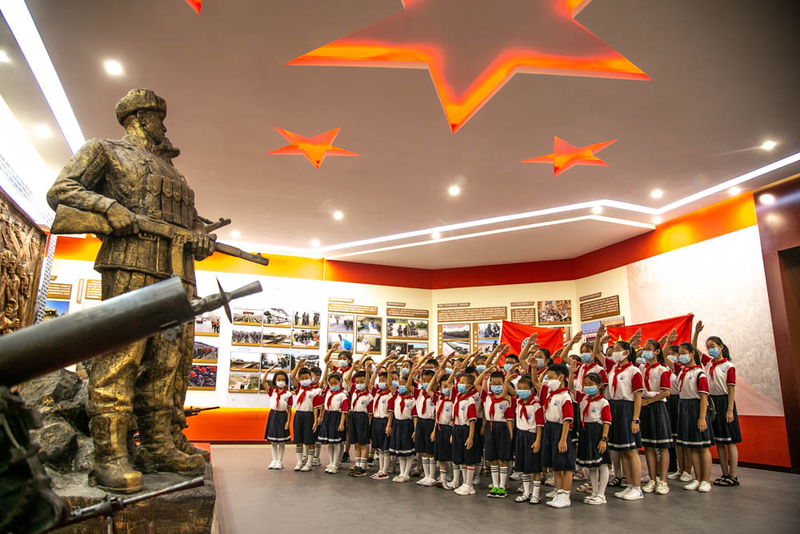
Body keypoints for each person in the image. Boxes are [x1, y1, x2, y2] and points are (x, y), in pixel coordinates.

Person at [47, 89, 217, 492]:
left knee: (167, 364)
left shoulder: (174, 173)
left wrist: (200, 237)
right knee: (120, 359)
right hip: (130, 265)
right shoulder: (104, 150)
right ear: (139, 118)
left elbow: (192, 222)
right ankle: (111, 454)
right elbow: (62, 190)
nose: (163, 126)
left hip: (178, 273)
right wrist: (108, 207)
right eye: (158, 118)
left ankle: (158, 446)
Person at [594, 324, 645, 501]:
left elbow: (638, 397)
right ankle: (629, 484)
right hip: (614, 406)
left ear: (626, 352)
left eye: (617, 349)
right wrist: (598, 337)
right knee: (622, 450)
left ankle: (637, 488)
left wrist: (635, 419)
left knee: (631, 450)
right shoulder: (613, 368)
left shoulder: (634, 371)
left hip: (627, 408)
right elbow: (597, 353)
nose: (614, 352)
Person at [700, 328, 742, 487]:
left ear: (721, 347)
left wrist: (730, 409)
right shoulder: (709, 363)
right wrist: (696, 333)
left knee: (730, 441)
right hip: (712, 402)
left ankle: (733, 475)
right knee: (719, 441)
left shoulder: (728, 366)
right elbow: (694, 349)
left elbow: (731, 389)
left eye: (712, 346)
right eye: (708, 347)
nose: (710, 349)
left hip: (725, 402)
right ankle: (724, 473)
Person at [675, 342, 713, 492]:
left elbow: (704, 397)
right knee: (692, 447)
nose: (681, 356)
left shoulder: (699, 374)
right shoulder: (682, 371)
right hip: (684, 407)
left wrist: (702, 417)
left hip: (696, 408)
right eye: (679, 354)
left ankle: (706, 480)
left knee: (703, 447)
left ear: (692, 353)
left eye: (684, 353)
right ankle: (697, 478)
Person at [639, 339, 673, 495]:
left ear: (657, 351)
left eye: (649, 349)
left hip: (657, 406)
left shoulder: (662, 370)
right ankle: (652, 478)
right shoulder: (641, 368)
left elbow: (666, 392)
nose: (645, 351)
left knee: (662, 445)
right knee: (648, 446)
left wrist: (649, 401)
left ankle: (663, 480)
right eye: (644, 349)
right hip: (644, 408)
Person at [474, 367, 515, 498]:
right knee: (492, 458)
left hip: (502, 428)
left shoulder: (507, 399)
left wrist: (507, 381)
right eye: (494, 383)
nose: (496, 386)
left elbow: (510, 418)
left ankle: (502, 486)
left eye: (499, 384)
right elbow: (476, 384)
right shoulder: (487, 397)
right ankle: (495, 485)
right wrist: (484, 375)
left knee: (503, 458)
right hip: (490, 427)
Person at [540, 363, 574, 509]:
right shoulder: (551, 394)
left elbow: (567, 420)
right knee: (556, 465)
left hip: (560, 430)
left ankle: (566, 495)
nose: (549, 381)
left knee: (565, 465)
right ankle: (559, 492)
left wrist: (563, 439)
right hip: (550, 427)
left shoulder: (565, 397)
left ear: (561, 378)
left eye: (551, 377)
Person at [574, 372, 611, 505]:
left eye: (591, 384)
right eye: (586, 384)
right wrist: (572, 373)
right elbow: (571, 390)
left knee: (602, 464)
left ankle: (601, 494)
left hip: (597, 433)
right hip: (585, 433)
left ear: (599, 385)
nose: (587, 387)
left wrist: (603, 439)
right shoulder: (584, 399)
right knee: (592, 466)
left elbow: (607, 421)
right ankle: (594, 491)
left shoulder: (603, 402)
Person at [513, 374, 544, 503]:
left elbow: (540, 425)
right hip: (521, 435)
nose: (522, 391)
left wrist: (538, 441)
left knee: (535, 467)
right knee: (524, 466)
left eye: (525, 388)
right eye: (520, 388)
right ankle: (526, 491)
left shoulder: (536, 404)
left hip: (532, 436)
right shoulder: (518, 403)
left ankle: (536, 493)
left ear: (531, 390)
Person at [386, 361, 417, 482]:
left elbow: (415, 417)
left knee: (408, 451)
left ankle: (406, 473)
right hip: (397, 424)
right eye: (400, 384)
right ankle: (402, 472)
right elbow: (390, 385)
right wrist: (389, 372)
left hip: (407, 425)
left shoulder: (413, 400)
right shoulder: (397, 396)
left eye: (403, 384)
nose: (401, 386)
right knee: (400, 451)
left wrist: (415, 430)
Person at [291, 366, 323, 472]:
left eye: (307, 378)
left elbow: (315, 408)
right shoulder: (299, 388)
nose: (305, 380)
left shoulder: (315, 391)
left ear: (310, 378)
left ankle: (309, 463)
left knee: (310, 441)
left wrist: (315, 421)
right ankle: (299, 462)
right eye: (302, 378)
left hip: (309, 416)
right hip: (299, 415)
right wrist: (298, 366)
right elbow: (292, 376)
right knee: (298, 440)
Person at [318, 373, 349, 474]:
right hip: (328, 417)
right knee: (330, 443)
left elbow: (344, 411)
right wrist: (321, 417)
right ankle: (331, 463)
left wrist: (341, 423)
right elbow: (324, 381)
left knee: (336, 443)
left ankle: (335, 463)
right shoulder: (328, 392)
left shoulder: (343, 395)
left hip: (337, 417)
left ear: (340, 382)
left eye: (335, 383)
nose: (333, 385)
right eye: (331, 384)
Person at [261, 368, 292, 470]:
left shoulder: (288, 394)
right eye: (279, 380)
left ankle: (280, 461)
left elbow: (289, 410)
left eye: (283, 380)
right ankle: (274, 460)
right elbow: (263, 382)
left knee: (281, 441)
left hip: (283, 416)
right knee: (273, 440)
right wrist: (267, 371)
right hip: (273, 415)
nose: (281, 382)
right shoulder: (272, 391)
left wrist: (288, 421)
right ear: (275, 381)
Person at [428, 371, 455, 489]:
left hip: (450, 428)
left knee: (451, 454)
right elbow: (428, 390)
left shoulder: (454, 399)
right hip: (440, 427)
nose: (446, 388)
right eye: (443, 386)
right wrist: (435, 377)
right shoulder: (439, 398)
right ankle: (443, 477)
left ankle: (452, 476)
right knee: (441, 454)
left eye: (448, 386)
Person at [413, 369, 437, 486]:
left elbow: (437, 414)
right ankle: (426, 475)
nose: (426, 383)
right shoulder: (419, 394)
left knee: (430, 451)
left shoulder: (435, 395)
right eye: (424, 381)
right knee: (423, 451)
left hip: (431, 422)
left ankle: (431, 476)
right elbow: (409, 386)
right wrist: (413, 372)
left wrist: (434, 430)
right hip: (421, 422)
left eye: (429, 381)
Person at [369, 369, 394, 480]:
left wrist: (388, 425)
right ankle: (380, 469)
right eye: (380, 381)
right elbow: (369, 383)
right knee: (379, 448)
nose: (381, 383)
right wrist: (371, 372)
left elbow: (390, 412)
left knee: (385, 448)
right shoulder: (377, 393)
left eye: (384, 380)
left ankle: (385, 471)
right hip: (376, 421)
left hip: (385, 421)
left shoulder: (390, 395)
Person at [347, 371, 373, 477]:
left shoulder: (369, 397)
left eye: (361, 382)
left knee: (363, 444)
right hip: (354, 416)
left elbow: (370, 414)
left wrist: (368, 425)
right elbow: (346, 379)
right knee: (356, 443)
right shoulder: (354, 392)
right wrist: (353, 367)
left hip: (363, 418)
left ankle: (362, 466)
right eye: (357, 382)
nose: (359, 384)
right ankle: (357, 464)